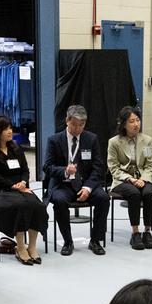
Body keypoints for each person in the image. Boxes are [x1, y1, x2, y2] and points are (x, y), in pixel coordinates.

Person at [0, 116, 47, 266]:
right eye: (5, 129)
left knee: (38, 206)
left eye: (10, 128)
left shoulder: (16, 148)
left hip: (20, 187)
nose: (10, 131)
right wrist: (12, 186)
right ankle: (21, 247)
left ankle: (32, 246)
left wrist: (23, 182)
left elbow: (25, 170)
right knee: (20, 206)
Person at [43, 105, 109, 257]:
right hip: (63, 184)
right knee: (59, 201)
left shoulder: (91, 139)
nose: (77, 129)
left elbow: (98, 167)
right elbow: (47, 167)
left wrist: (88, 188)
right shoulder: (54, 140)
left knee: (103, 198)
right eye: (74, 125)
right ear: (67, 121)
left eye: (81, 125)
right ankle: (68, 241)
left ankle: (95, 240)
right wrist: (64, 171)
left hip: (85, 184)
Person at [108, 106, 152, 250]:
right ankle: (135, 232)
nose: (136, 124)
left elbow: (150, 164)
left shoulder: (147, 141)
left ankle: (147, 231)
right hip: (122, 180)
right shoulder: (114, 142)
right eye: (132, 121)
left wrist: (143, 178)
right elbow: (113, 168)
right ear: (124, 124)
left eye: (138, 120)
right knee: (134, 193)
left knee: (149, 193)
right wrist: (130, 179)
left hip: (142, 177)